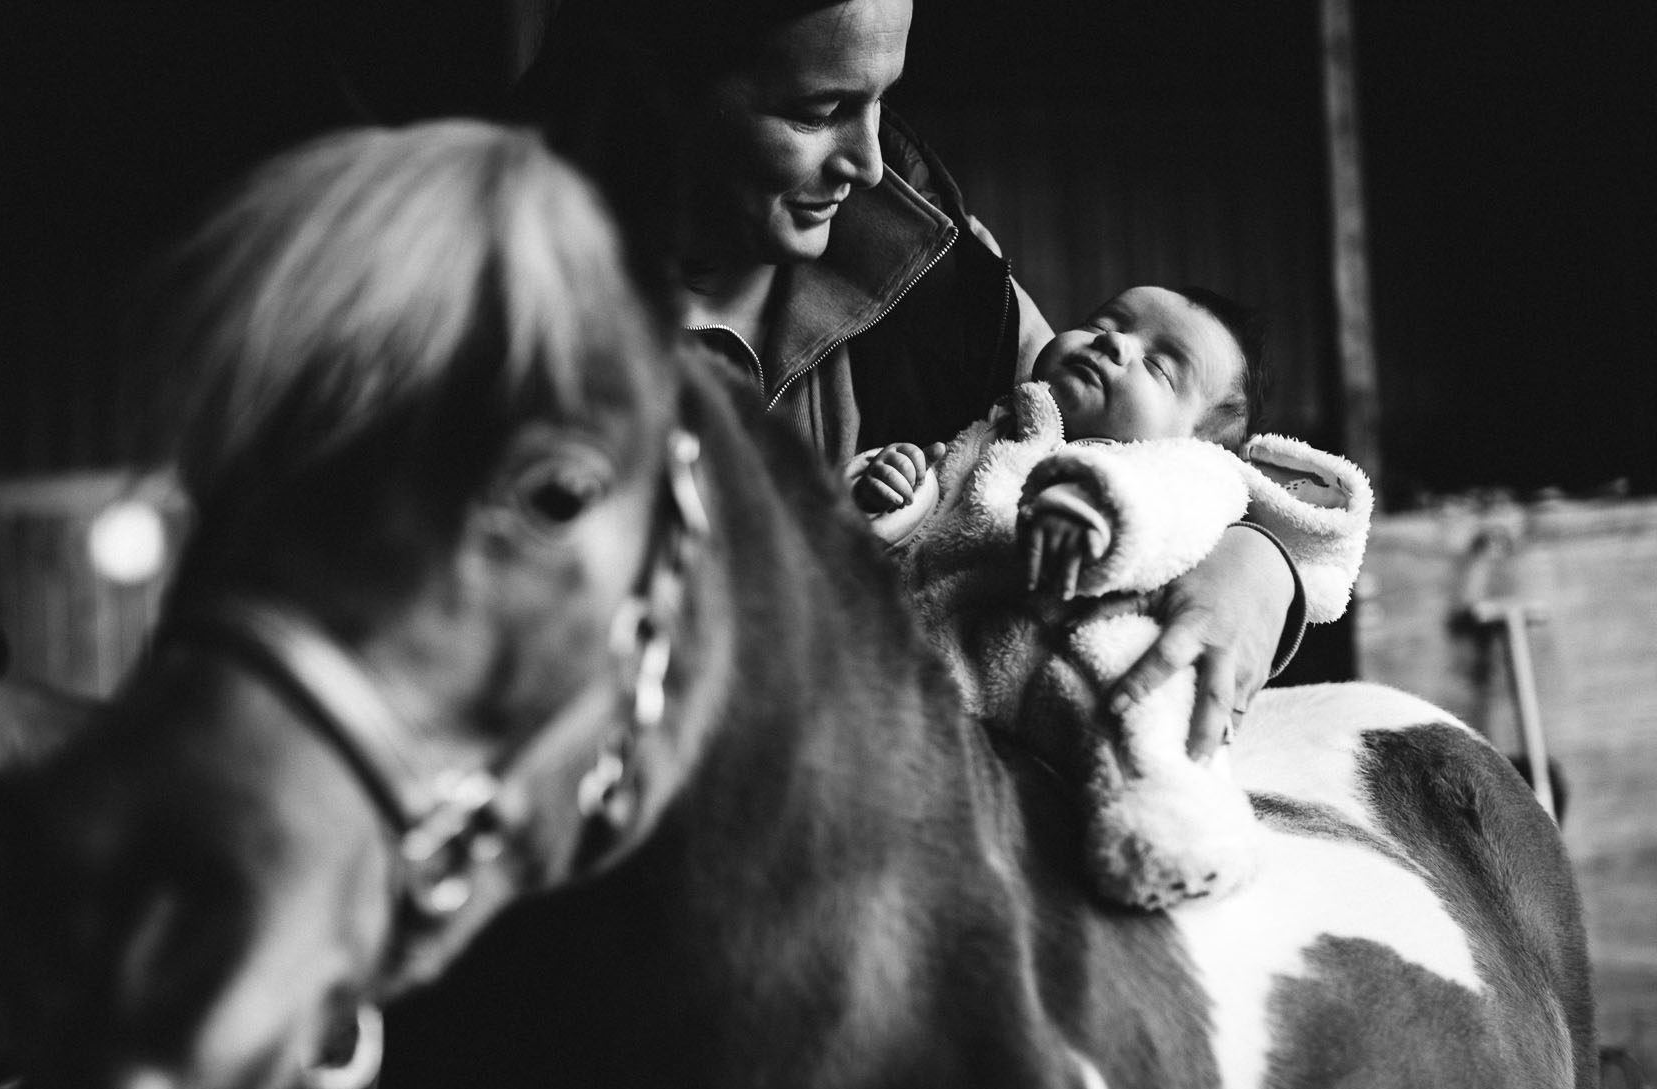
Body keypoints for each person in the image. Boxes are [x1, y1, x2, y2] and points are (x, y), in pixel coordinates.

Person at [509, 0, 1307, 762]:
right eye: (819, 111)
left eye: (881, 100)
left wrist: (1257, 566)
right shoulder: (506, 327)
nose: (868, 163)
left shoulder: (927, 263)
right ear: (655, 94)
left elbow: (1168, 448)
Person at [847, 284, 1372, 907]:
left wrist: (1098, 506)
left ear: (1197, 439)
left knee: (1136, 705)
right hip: (946, 647)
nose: (1115, 343)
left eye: (1159, 367)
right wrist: (900, 496)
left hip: (1081, 638)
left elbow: (1173, 507)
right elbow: (938, 518)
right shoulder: (997, 432)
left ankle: (1175, 826)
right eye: (1103, 323)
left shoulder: (1190, 468)